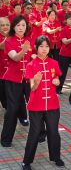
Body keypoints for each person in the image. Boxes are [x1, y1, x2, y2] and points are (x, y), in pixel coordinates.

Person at [21, 36, 64, 170]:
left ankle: (56, 157)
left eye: (46, 46)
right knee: (34, 133)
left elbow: (56, 76)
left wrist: (57, 81)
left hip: (52, 104)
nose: (44, 49)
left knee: (53, 132)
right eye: (41, 46)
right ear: (36, 47)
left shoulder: (54, 63)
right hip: (36, 105)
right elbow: (32, 88)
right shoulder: (31, 65)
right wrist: (37, 81)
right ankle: (26, 161)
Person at [1, 15, 32, 147]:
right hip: (12, 80)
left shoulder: (28, 40)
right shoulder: (9, 41)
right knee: (12, 109)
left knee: (36, 106)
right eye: (18, 25)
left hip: (27, 79)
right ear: (14, 27)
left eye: (23, 25)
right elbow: (15, 57)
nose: (21, 28)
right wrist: (23, 50)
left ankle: (41, 134)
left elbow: (33, 56)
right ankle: (6, 139)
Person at [57, 12, 71, 94]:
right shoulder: (63, 29)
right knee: (62, 72)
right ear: (66, 20)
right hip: (65, 54)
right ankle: (58, 88)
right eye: (69, 19)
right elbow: (65, 42)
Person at [0, 17, 10, 109]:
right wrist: (7, 37)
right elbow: (2, 46)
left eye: (7, 25)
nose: (5, 27)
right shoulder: (8, 37)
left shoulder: (14, 36)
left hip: (9, 72)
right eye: (2, 25)